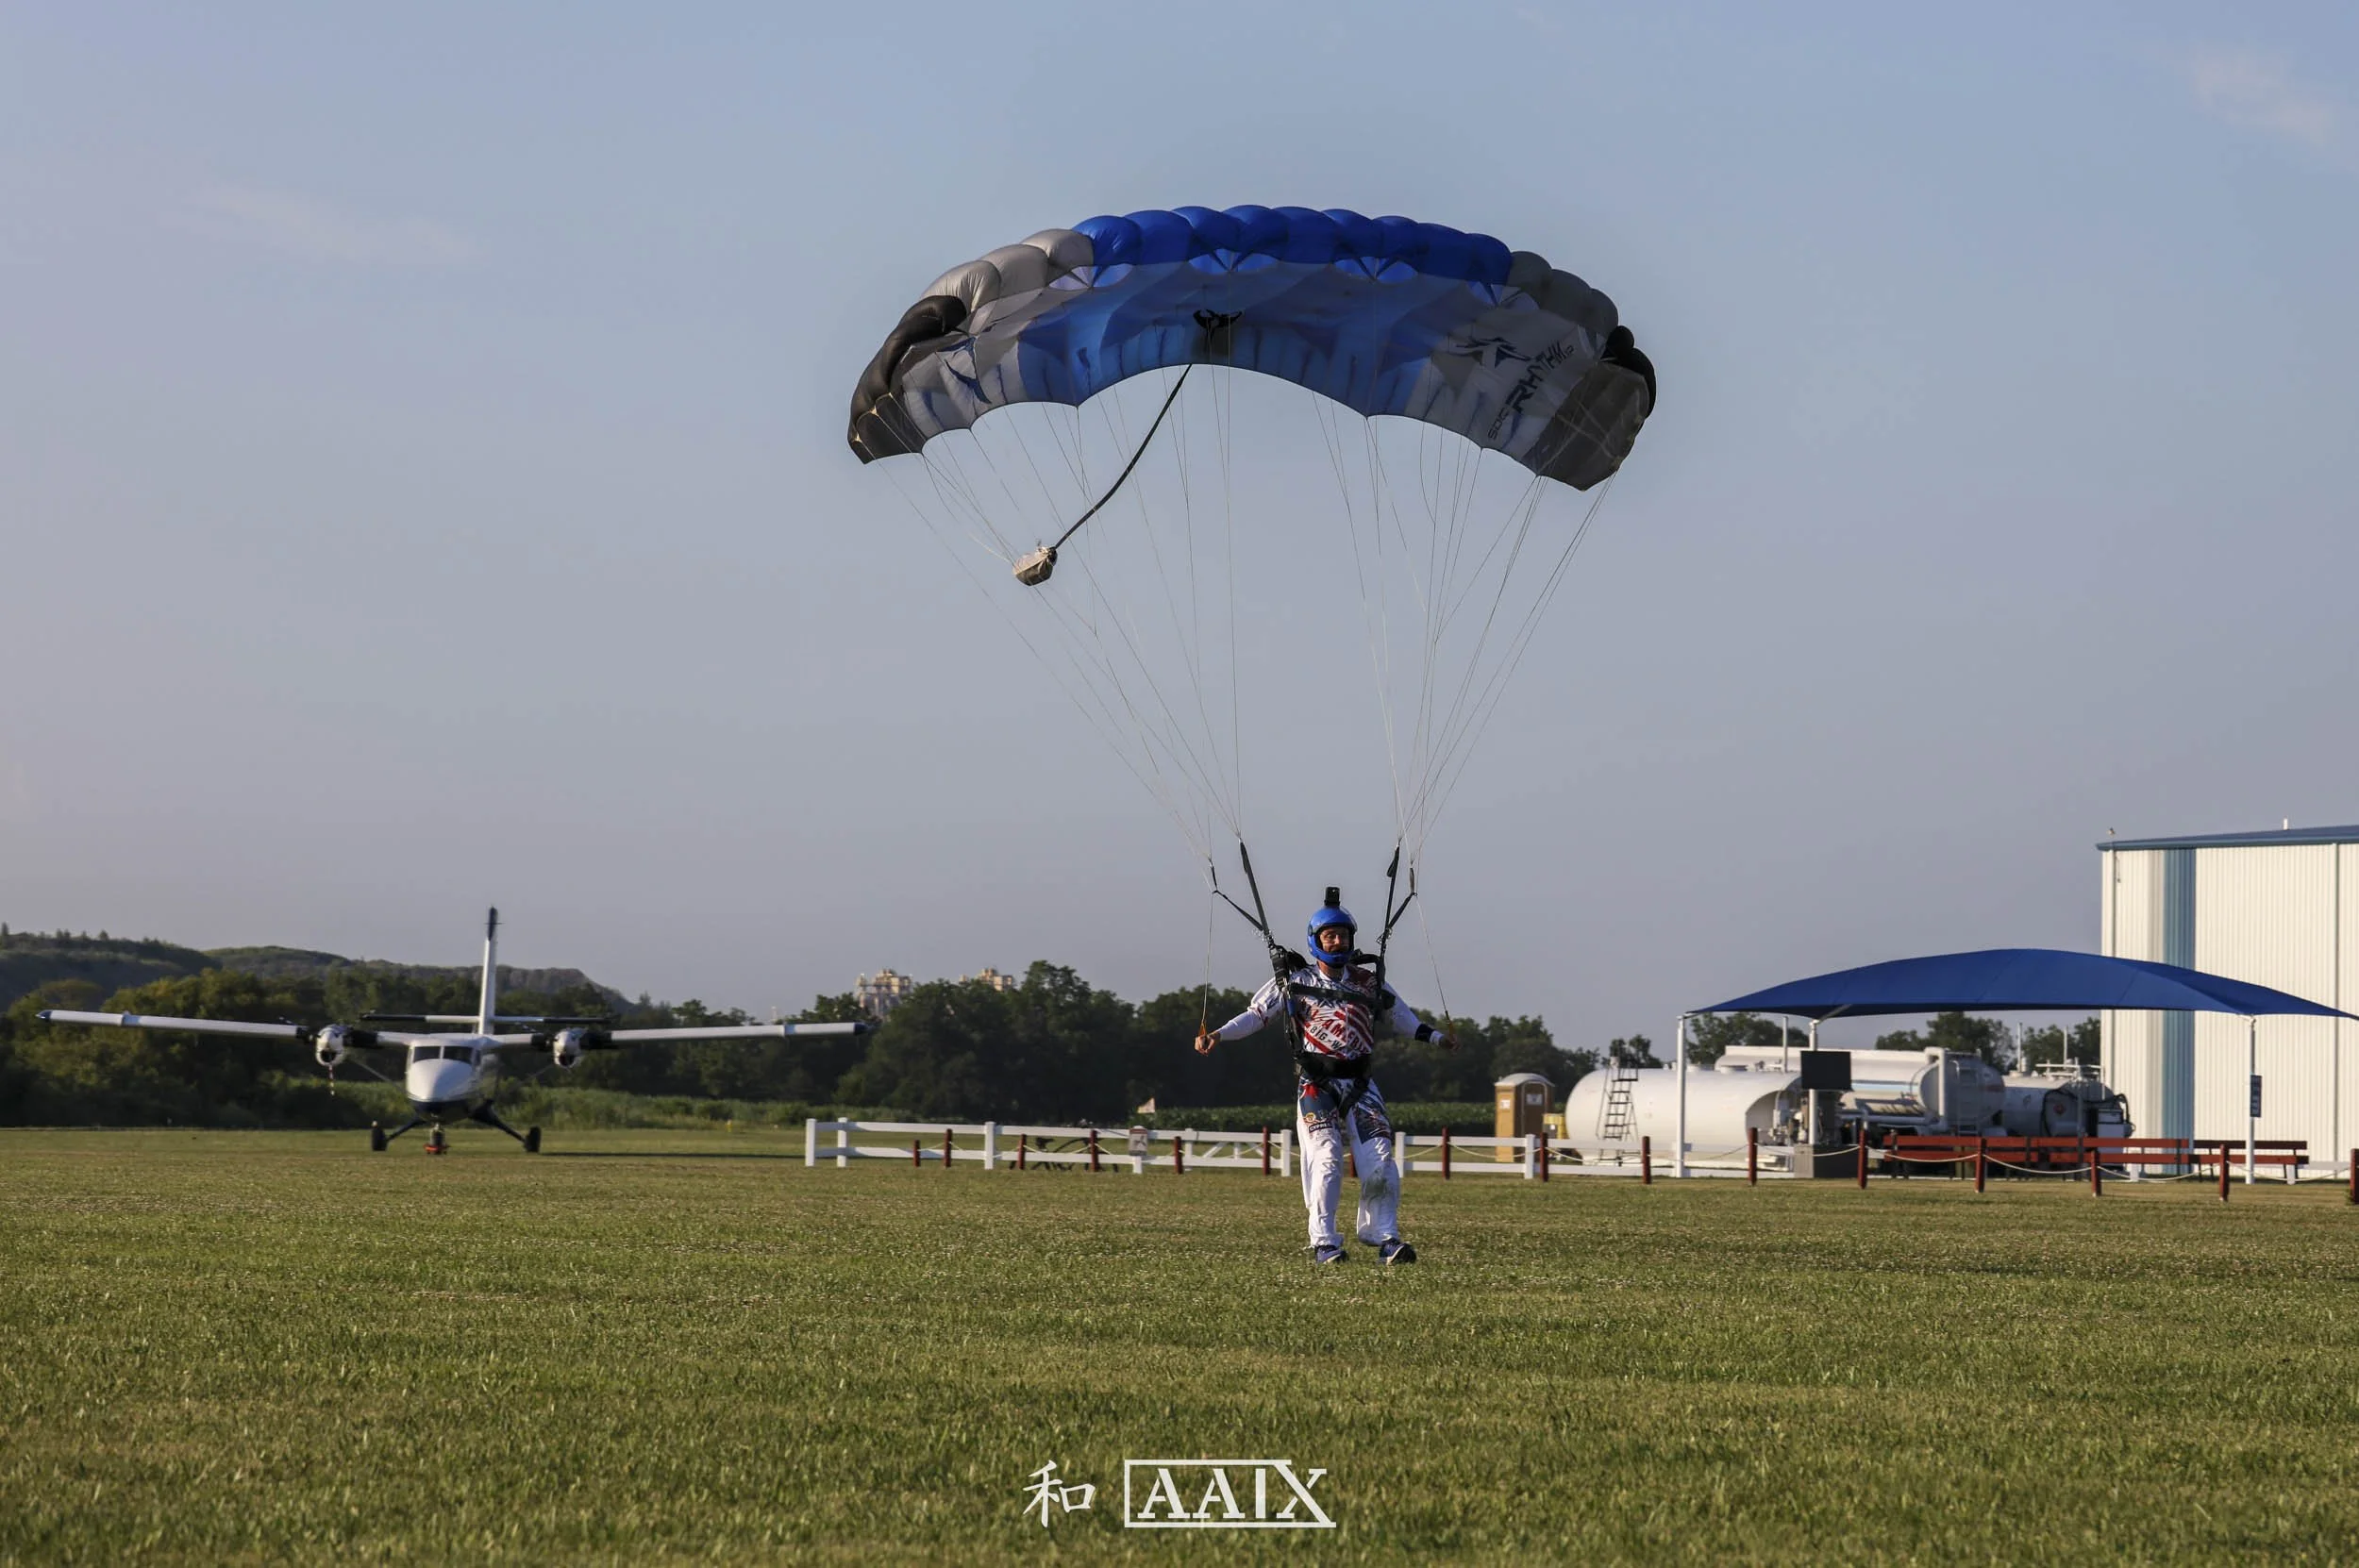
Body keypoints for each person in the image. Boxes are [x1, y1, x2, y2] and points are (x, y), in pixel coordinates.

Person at [1196, 890, 1454, 1263]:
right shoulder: (1294, 981)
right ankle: (1324, 1241)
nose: (1338, 941)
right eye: (1330, 936)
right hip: (1316, 1084)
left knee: (1381, 1158)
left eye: (1343, 935)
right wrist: (1217, 1034)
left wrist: (1438, 1038)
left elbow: (1402, 1019)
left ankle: (1384, 1236)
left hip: (1362, 1085)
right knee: (1327, 1158)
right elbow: (1256, 1015)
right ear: (1315, 940)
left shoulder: (1369, 983)